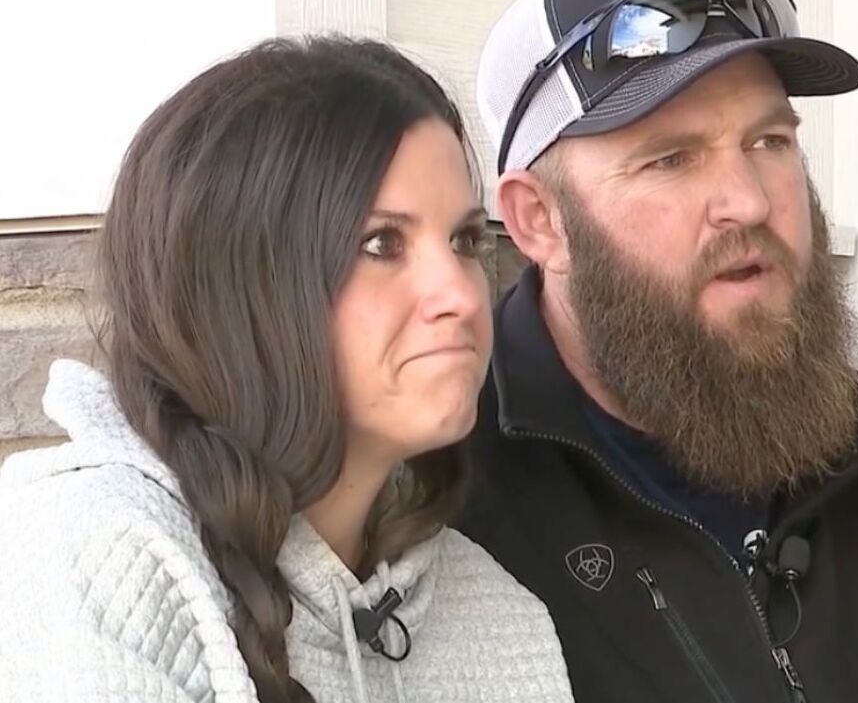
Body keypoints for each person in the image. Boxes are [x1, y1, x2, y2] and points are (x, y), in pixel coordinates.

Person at [0, 36, 573, 703]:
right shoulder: (94, 552)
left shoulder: (498, 618)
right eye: (382, 243)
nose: (461, 293)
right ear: (241, 286)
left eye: (465, 240)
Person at [455, 0, 858, 701]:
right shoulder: (443, 509)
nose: (749, 200)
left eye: (769, 141)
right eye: (671, 158)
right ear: (540, 222)